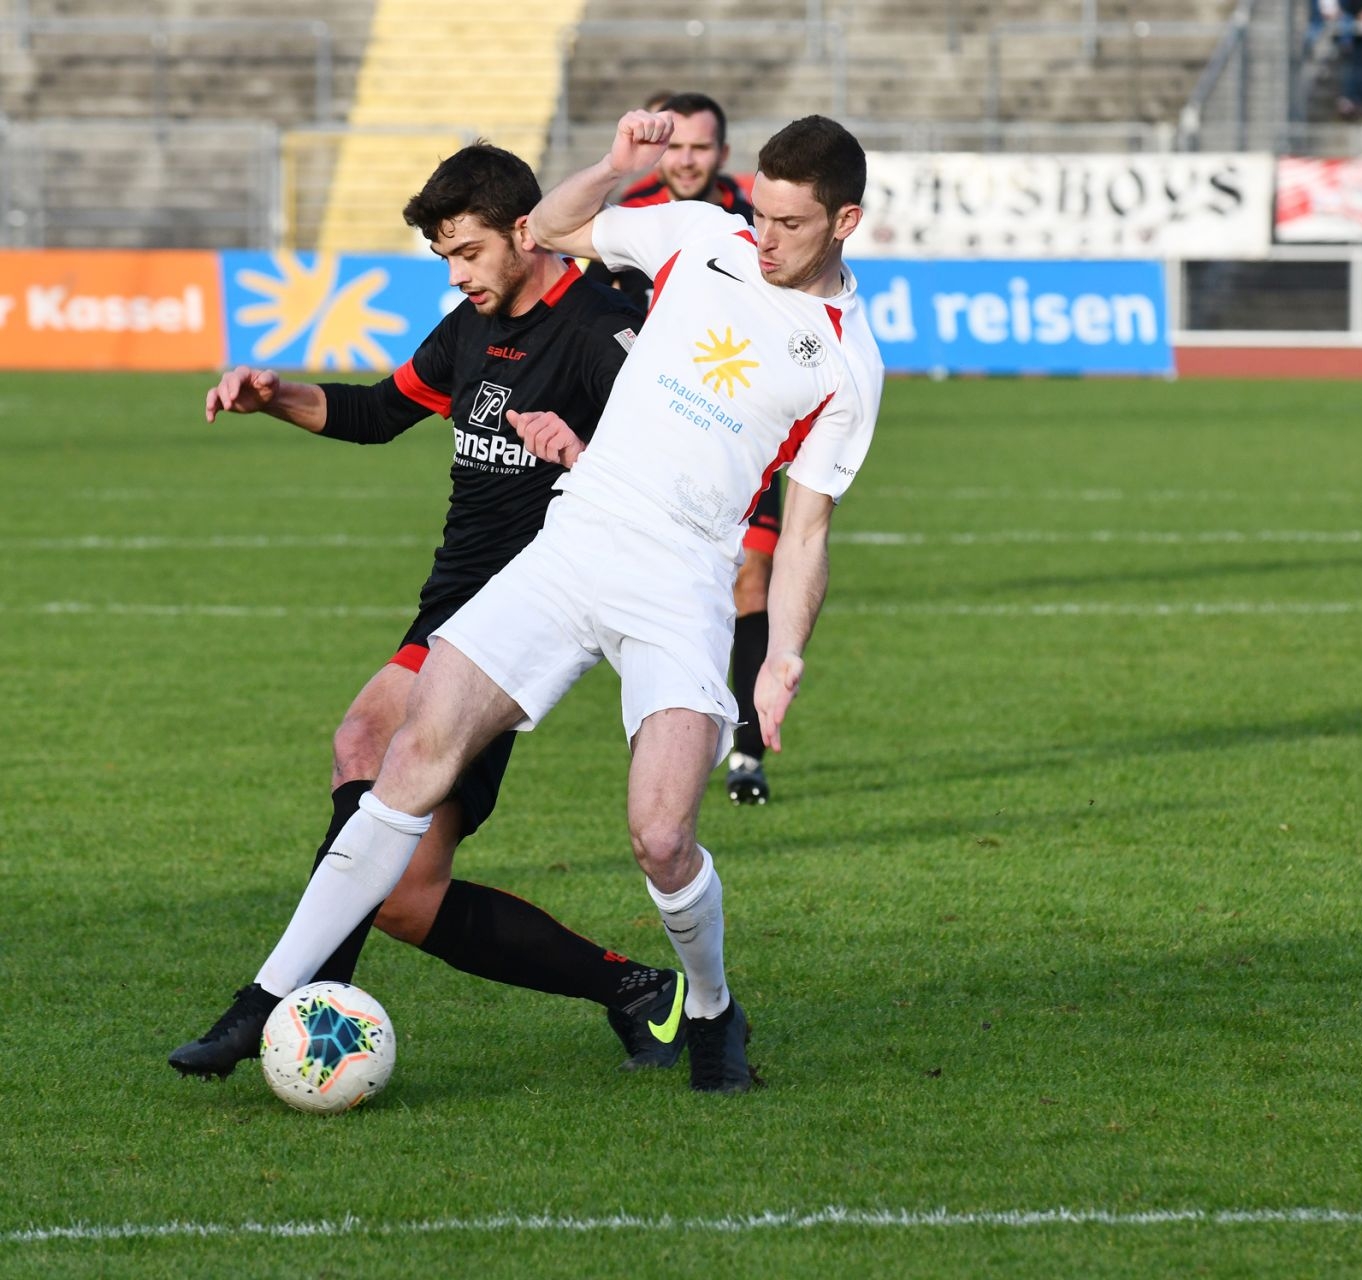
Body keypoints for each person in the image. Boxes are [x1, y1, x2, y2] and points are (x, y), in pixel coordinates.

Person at [167, 109, 884, 1094]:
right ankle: (263, 1000)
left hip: (681, 583)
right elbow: (547, 223)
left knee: (662, 834)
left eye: (789, 224)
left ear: (844, 222)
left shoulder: (847, 362)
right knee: (399, 757)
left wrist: (784, 653)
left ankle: (712, 1009)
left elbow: (804, 532)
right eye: (758, 212)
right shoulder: (701, 237)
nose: (761, 237)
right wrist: (616, 169)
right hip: (572, 545)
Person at [169, 142, 690, 1081]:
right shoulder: (469, 329)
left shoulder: (604, 329)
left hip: (526, 623)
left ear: (524, 231)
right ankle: (637, 990)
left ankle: (281, 1004)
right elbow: (377, 412)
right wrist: (274, 393)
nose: (457, 275)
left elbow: (667, 474)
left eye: (468, 253)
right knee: (405, 894)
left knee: (365, 747)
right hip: (448, 609)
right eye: (445, 258)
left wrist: (579, 450)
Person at [584, 91, 778, 806]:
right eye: (679, 147)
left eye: (702, 148)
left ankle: (748, 753)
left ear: (722, 155)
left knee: (751, 579)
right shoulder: (631, 217)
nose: (689, 160)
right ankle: (665, 740)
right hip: (651, 433)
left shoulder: (754, 222)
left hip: (739, 426)